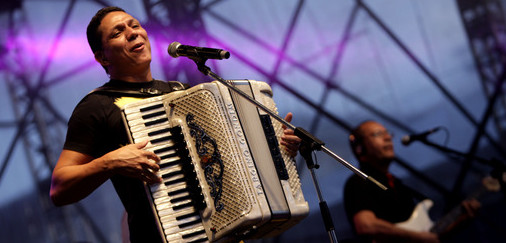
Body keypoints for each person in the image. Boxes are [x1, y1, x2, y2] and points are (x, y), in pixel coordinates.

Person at [49, 6, 302, 243]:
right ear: (102, 57)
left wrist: (277, 147)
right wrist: (111, 162)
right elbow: (60, 188)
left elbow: (231, 158)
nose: (132, 32)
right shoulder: (96, 106)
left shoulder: (183, 94)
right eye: (118, 32)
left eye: (134, 25)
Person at [343, 120, 480, 243]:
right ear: (360, 148)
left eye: (388, 133)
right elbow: (366, 225)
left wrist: (461, 221)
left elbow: (428, 237)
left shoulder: (397, 184)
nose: (388, 138)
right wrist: (417, 237)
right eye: (378, 134)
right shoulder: (358, 182)